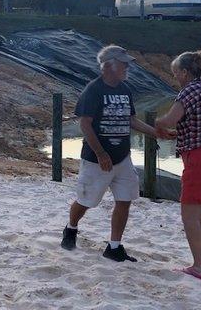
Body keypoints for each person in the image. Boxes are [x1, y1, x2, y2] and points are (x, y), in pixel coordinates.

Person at [61, 45, 174, 262]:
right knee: (86, 201)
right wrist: (101, 153)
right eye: (123, 63)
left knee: (125, 199)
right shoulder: (93, 90)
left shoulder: (125, 89)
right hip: (97, 159)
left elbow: (131, 120)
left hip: (123, 157)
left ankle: (114, 247)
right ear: (109, 65)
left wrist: (156, 133)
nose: (127, 67)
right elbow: (85, 124)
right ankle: (71, 228)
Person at [155, 50, 201, 280]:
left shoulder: (188, 92)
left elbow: (168, 119)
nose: (175, 76)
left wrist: (156, 124)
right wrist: (179, 133)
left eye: (176, 72)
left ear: (185, 72)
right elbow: (200, 125)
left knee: (188, 215)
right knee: (195, 211)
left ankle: (198, 266)